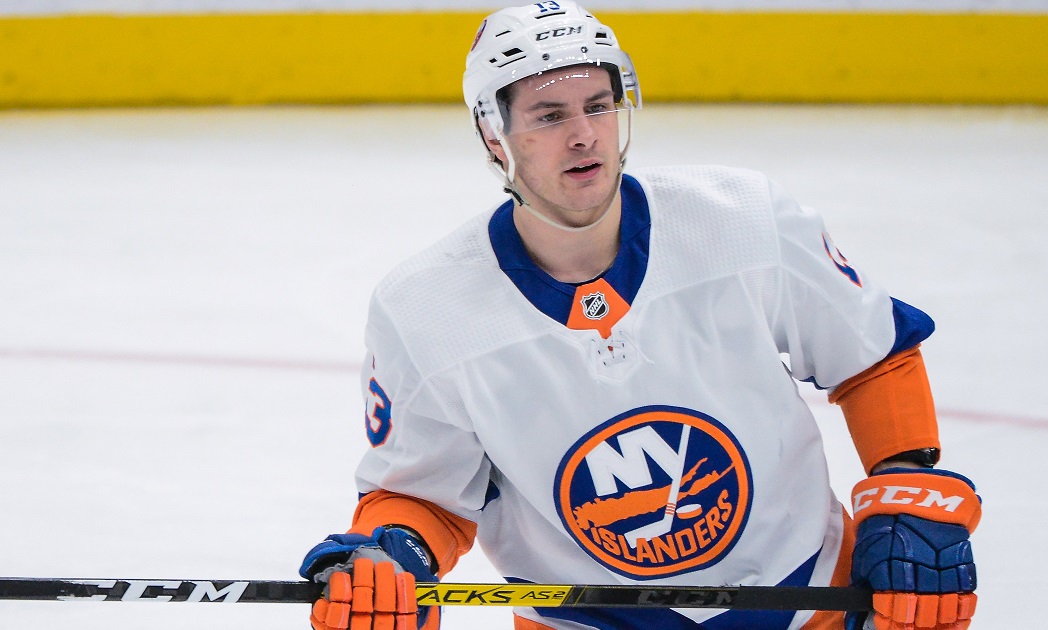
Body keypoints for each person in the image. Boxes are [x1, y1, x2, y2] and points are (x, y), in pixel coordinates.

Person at [299, 3, 981, 630]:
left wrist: (906, 482)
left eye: (598, 105)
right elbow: (425, 497)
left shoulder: (743, 220)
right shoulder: (425, 309)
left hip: (809, 602)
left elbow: (868, 353)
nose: (584, 135)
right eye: (548, 115)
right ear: (493, 132)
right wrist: (388, 561)